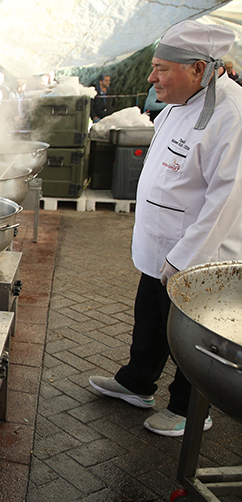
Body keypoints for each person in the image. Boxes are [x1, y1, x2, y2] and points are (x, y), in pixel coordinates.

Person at [88, 20, 242, 437]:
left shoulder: (231, 115)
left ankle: (189, 409)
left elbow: (225, 202)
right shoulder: (179, 101)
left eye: (160, 68)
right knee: (150, 321)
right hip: (159, 246)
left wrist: (185, 260)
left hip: (196, 256)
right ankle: (136, 383)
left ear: (197, 68)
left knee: (194, 339)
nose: (151, 77)